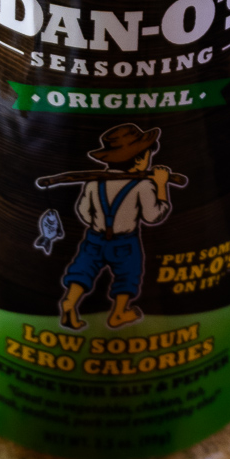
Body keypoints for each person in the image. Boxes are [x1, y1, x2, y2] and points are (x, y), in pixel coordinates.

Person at [56, 123, 173, 330]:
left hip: (94, 237)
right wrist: (161, 186)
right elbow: (153, 216)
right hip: (125, 241)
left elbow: (84, 212)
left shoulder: (94, 182)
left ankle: (69, 302)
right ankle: (118, 313)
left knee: (83, 270)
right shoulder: (143, 185)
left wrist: (100, 222)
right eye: (146, 155)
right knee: (128, 274)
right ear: (139, 159)